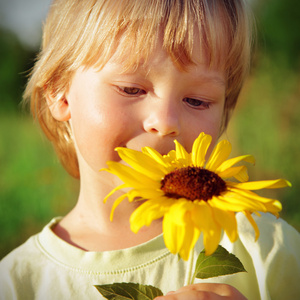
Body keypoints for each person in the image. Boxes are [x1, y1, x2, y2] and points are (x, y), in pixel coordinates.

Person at [1, 0, 300, 299]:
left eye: (197, 100)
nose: (166, 122)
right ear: (59, 92)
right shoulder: (18, 284)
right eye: (131, 89)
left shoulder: (267, 251)